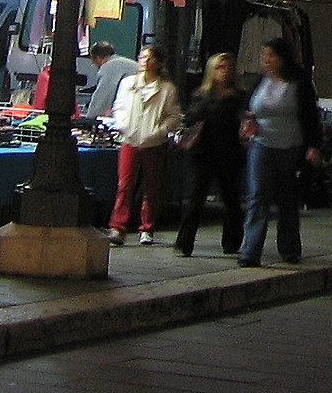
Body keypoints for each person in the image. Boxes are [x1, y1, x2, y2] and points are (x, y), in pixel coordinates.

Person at [238, 40, 321, 267]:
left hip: (289, 146)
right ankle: (250, 250)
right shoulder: (260, 82)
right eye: (264, 56)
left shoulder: (298, 82)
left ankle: (289, 248)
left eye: (271, 56)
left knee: (287, 198)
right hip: (261, 143)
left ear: (283, 58)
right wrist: (247, 121)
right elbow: (248, 109)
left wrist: (313, 145)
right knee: (257, 195)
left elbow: (310, 115)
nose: (266, 60)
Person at [173, 53, 248, 257]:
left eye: (229, 67)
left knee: (231, 199)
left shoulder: (239, 96)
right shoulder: (202, 94)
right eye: (220, 67)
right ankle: (185, 241)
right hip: (204, 151)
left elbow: (243, 119)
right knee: (196, 198)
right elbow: (190, 117)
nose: (225, 71)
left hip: (230, 151)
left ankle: (232, 241)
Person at [106, 48, 181, 245]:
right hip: (130, 140)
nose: (145, 62)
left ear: (158, 62)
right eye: (142, 58)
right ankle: (118, 226)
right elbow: (119, 107)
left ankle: (147, 227)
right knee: (124, 185)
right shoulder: (128, 83)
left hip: (154, 143)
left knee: (151, 186)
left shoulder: (167, 89)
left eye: (150, 58)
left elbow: (174, 115)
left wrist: (159, 131)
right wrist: (124, 125)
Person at [80, 42, 133, 123]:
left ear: (97, 58)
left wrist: (89, 120)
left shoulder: (109, 66)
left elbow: (103, 97)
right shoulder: (125, 63)